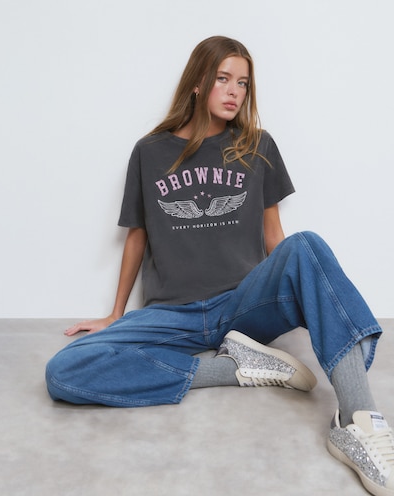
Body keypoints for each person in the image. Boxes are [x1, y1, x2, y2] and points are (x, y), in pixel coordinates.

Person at [46, 36, 394, 495]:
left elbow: (275, 237)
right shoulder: (149, 151)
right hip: (171, 314)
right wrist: (115, 314)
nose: (234, 92)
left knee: (306, 246)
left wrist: (308, 297)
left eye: (243, 83)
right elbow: (137, 235)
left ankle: (358, 422)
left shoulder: (258, 145)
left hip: (241, 306)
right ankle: (234, 368)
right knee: (63, 370)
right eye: (223, 79)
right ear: (198, 82)